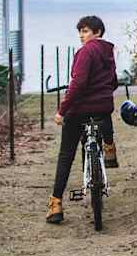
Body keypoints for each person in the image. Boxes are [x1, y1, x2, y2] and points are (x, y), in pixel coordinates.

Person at [46, 15, 119, 224]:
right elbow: (112, 82)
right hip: (103, 110)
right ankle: (108, 146)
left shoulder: (86, 51)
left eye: (85, 31)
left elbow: (77, 84)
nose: (81, 35)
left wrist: (62, 111)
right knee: (101, 120)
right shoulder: (108, 52)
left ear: (97, 32)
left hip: (80, 111)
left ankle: (56, 204)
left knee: (66, 154)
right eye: (80, 31)